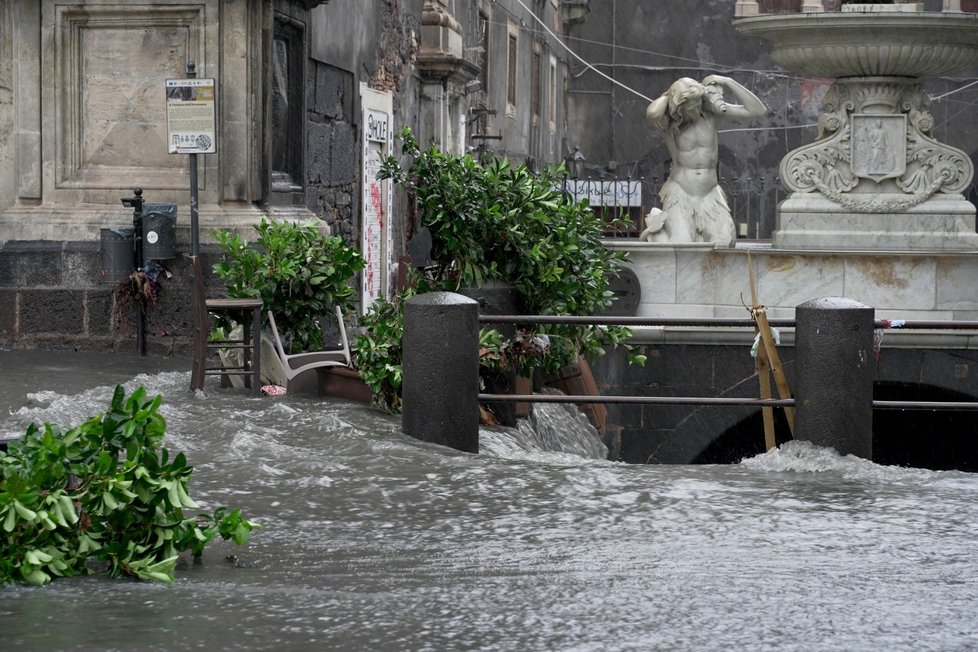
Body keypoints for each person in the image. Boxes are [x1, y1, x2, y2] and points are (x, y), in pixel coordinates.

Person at [639, 75, 767, 246]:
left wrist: (728, 82)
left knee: (725, 242)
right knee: (681, 243)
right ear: (679, 107)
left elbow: (757, 110)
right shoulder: (669, 124)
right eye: (691, 106)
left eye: (699, 103)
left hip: (710, 193)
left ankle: (662, 227)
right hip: (681, 191)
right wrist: (671, 94)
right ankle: (657, 230)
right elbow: (653, 113)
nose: (696, 109)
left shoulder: (711, 116)